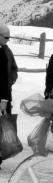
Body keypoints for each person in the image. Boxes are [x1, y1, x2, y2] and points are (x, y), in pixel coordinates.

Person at [0, 24, 18, 169]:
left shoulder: (6, 51)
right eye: (6, 37)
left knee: (4, 126)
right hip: (3, 93)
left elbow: (13, 69)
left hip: (5, 94)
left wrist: (10, 79)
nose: (8, 40)